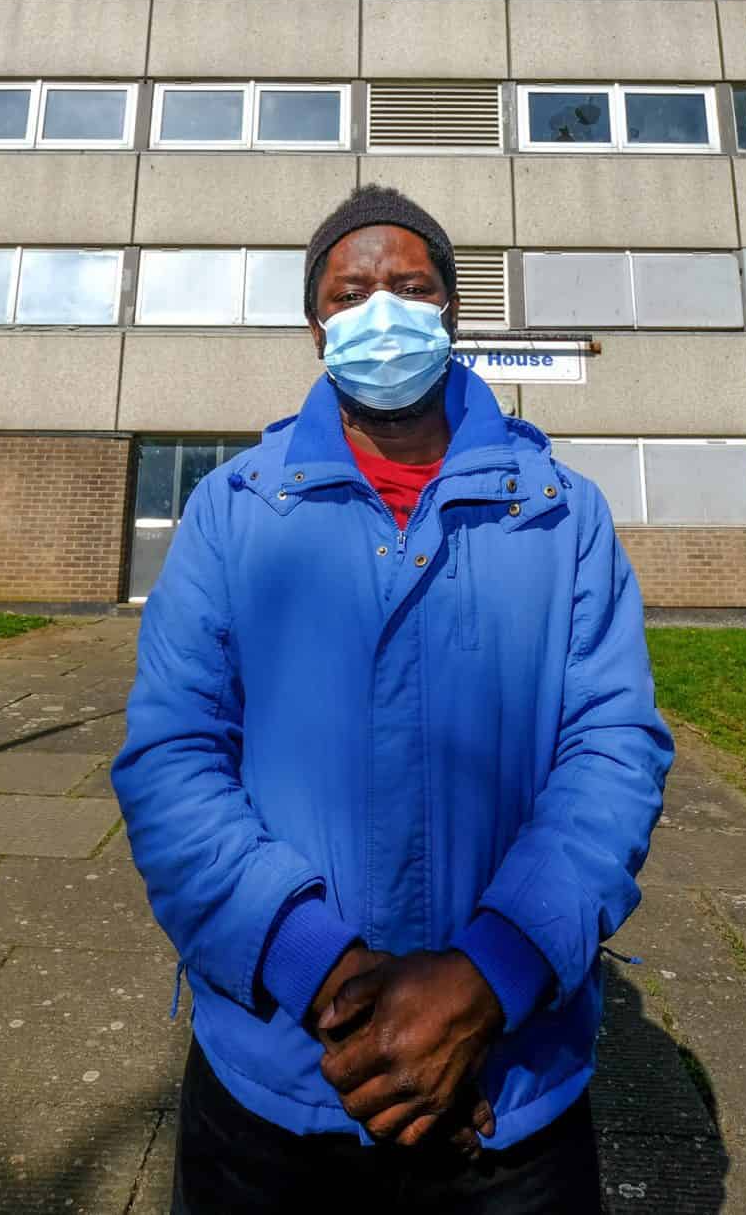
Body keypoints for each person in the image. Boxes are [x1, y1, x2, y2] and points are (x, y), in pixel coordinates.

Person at [114, 186, 674, 1214]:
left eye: (410, 287)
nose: (382, 310)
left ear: (452, 311)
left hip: (510, 1085)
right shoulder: (233, 510)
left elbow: (611, 749)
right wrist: (327, 980)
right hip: (282, 1078)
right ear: (315, 324)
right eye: (351, 289)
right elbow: (174, 755)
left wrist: (487, 978)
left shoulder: (562, 515)